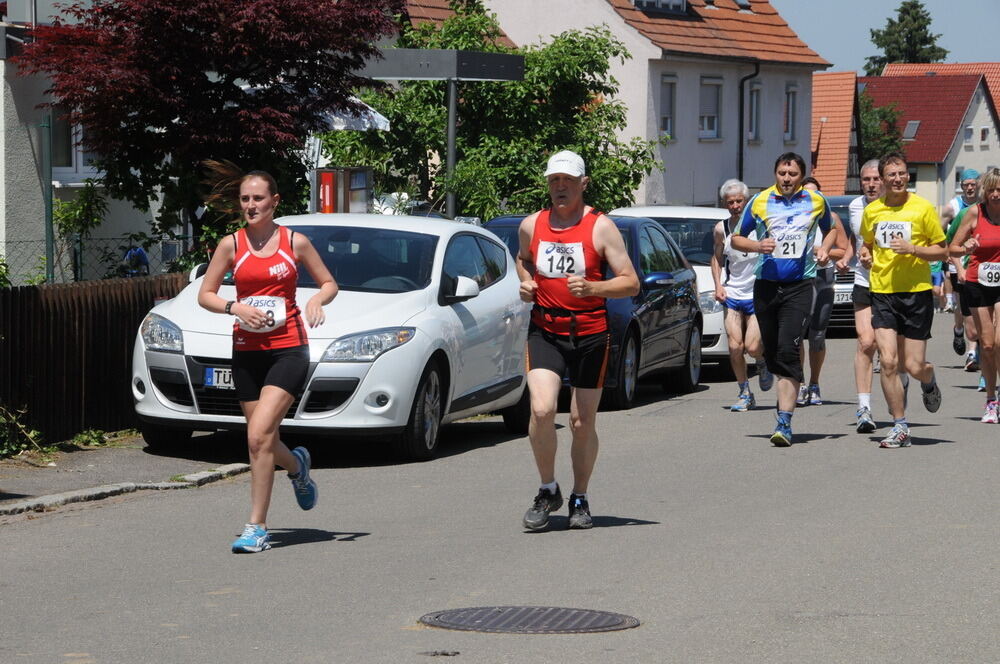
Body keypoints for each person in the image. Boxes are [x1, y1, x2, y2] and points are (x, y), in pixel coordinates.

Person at [198, 161, 338, 552]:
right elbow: (205, 294)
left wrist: (316, 299)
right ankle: (297, 467)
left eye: (258, 198)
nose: (251, 205)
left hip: (289, 349)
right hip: (246, 352)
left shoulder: (295, 242)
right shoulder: (232, 245)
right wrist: (235, 308)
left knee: (257, 436)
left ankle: (256, 527)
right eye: (245, 199)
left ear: (274, 201)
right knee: (263, 440)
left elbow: (329, 282)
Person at [516, 150, 639, 530]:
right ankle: (547, 487)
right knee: (540, 410)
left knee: (582, 422)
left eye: (568, 180)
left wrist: (593, 287)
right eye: (554, 180)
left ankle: (580, 496)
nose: (560, 187)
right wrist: (525, 281)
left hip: (589, 333)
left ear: (583, 183)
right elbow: (523, 259)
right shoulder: (531, 224)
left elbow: (631, 282)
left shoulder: (600, 227)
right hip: (545, 330)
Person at [731, 153, 845, 446]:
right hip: (766, 285)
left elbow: (831, 228)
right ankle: (766, 363)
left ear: (801, 176)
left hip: (799, 286)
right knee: (761, 347)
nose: (786, 178)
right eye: (782, 172)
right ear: (775, 173)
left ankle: (784, 421)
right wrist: (758, 245)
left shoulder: (815, 201)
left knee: (788, 349)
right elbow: (736, 239)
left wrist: (824, 249)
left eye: (792, 173)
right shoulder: (759, 201)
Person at [859, 152, 946, 448]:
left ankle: (929, 378)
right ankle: (900, 426)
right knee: (888, 362)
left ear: (908, 176)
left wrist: (913, 249)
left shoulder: (922, 209)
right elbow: (867, 244)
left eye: (902, 174)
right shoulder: (873, 211)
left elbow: (942, 250)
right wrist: (866, 254)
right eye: (892, 175)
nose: (897, 179)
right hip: (882, 292)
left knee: (913, 364)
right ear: (882, 179)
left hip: (916, 292)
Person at [711, 178, 772, 412]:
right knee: (735, 347)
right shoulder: (721, 229)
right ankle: (744, 391)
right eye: (730, 202)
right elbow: (716, 258)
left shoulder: (760, 226)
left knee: (753, 346)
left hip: (756, 293)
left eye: (739, 201)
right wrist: (718, 285)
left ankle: (762, 362)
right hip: (733, 292)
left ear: (746, 202)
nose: (735, 206)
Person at [836, 159, 888, 433]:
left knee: (895, 356)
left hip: (892, 285)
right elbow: (854, 244)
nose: (870, 184)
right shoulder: (855, 207)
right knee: (865, 342)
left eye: (875, 179)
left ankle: (906, 382)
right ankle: (864, 407)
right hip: (863, 281)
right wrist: (846, 258)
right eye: (866, 179)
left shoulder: (895, 207)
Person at [948, 168, 1000, 422]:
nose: (995, 194)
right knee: (987, 345)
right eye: (991, 189)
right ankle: (991, 399)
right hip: (977, 283)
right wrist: (966, 246)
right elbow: (953, 248)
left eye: (999, 189)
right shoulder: (974, 213)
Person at [796, 176, 847, 407]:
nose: (811, 198)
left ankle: (815, 383)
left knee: (816, 335)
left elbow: (843, 250)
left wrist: (822, 250)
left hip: (822, 277)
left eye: (815, 194)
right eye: (806, 194)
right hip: (798, 279)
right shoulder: (793, 218)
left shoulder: (832, 218)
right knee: (796, 335)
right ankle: (800, 383)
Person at [943, 169, 981, 368]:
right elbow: (940, 232)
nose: (969, 187)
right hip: (958, 262)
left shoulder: (987, 207)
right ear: (962, 186)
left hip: (981, 266)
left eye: (973, 184)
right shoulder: (954, 207)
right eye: (966, 184)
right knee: (962, 306)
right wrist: (944, 256)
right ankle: (959, 330)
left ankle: (972, 353)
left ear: (978, 185)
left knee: (977, 311)